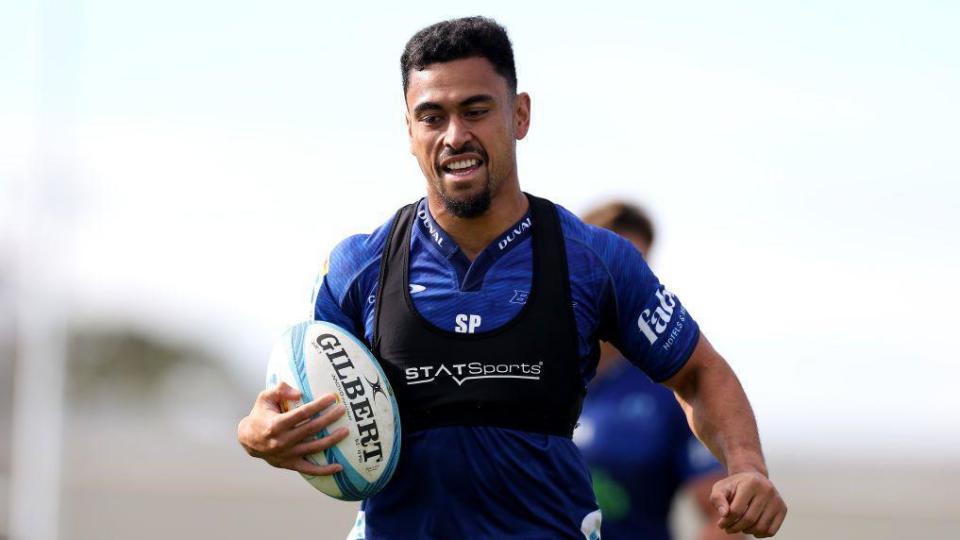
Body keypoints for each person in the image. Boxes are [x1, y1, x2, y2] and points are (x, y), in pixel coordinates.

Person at [237, 16, 787, 539]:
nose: (454, 135)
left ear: (519, 115)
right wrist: (257, 434)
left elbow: (698, 373)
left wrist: (747, 464)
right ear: (408, 129)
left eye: (476, 110)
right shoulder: (359, 266)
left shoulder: (594, 259)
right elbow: (299, 397)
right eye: (432, 116)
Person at [575, 201, 744, 540]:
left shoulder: (668, 390)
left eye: (635, 265)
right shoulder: (522, 370)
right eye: (607, 264)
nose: (619, 280)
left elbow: (726, 522)